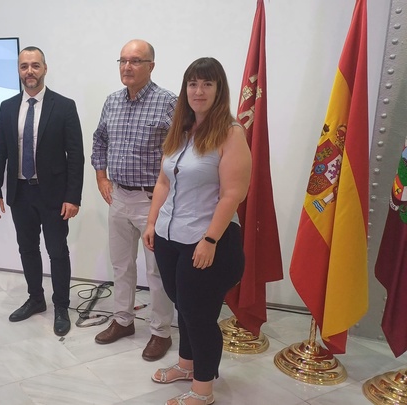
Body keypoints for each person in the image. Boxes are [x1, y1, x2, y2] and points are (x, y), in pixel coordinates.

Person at [142, 57, 251, 405]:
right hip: (169, 237)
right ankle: (187, 366)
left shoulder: (231, 133)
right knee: (183, 308)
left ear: (219, 90)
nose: (198, 91)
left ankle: (203, 390)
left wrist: (209, 239)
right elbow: (163, 181)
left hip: (207, 241)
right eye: (192, 83)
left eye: (207, 84)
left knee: (199, 315)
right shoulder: (181, 131)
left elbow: (234, 193)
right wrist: (150, 223)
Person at [0, 46, 84, 336]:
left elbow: (75, 154)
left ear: (45, 68)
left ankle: (61, 306)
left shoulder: (64, 106)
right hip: (20, 193)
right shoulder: (7, 107)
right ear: (18, 70)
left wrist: (73, 197)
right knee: (27, 249)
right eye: (24, 66)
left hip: (54, 195)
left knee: (57, 252)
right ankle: (36, 299)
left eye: (35, 66)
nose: (29, 71)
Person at [90, 39, 176, 361]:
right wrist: (101, 176)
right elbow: (99, 139)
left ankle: (160, 331)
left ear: (151, 66)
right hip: (119, 197)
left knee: (156, 271)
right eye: (123, 60)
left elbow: (180, 152)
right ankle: (123, 321)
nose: (127, 66)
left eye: (136, 61)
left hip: (153, 200)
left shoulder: (168, 102)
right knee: (121, 265)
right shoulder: (112, 101)